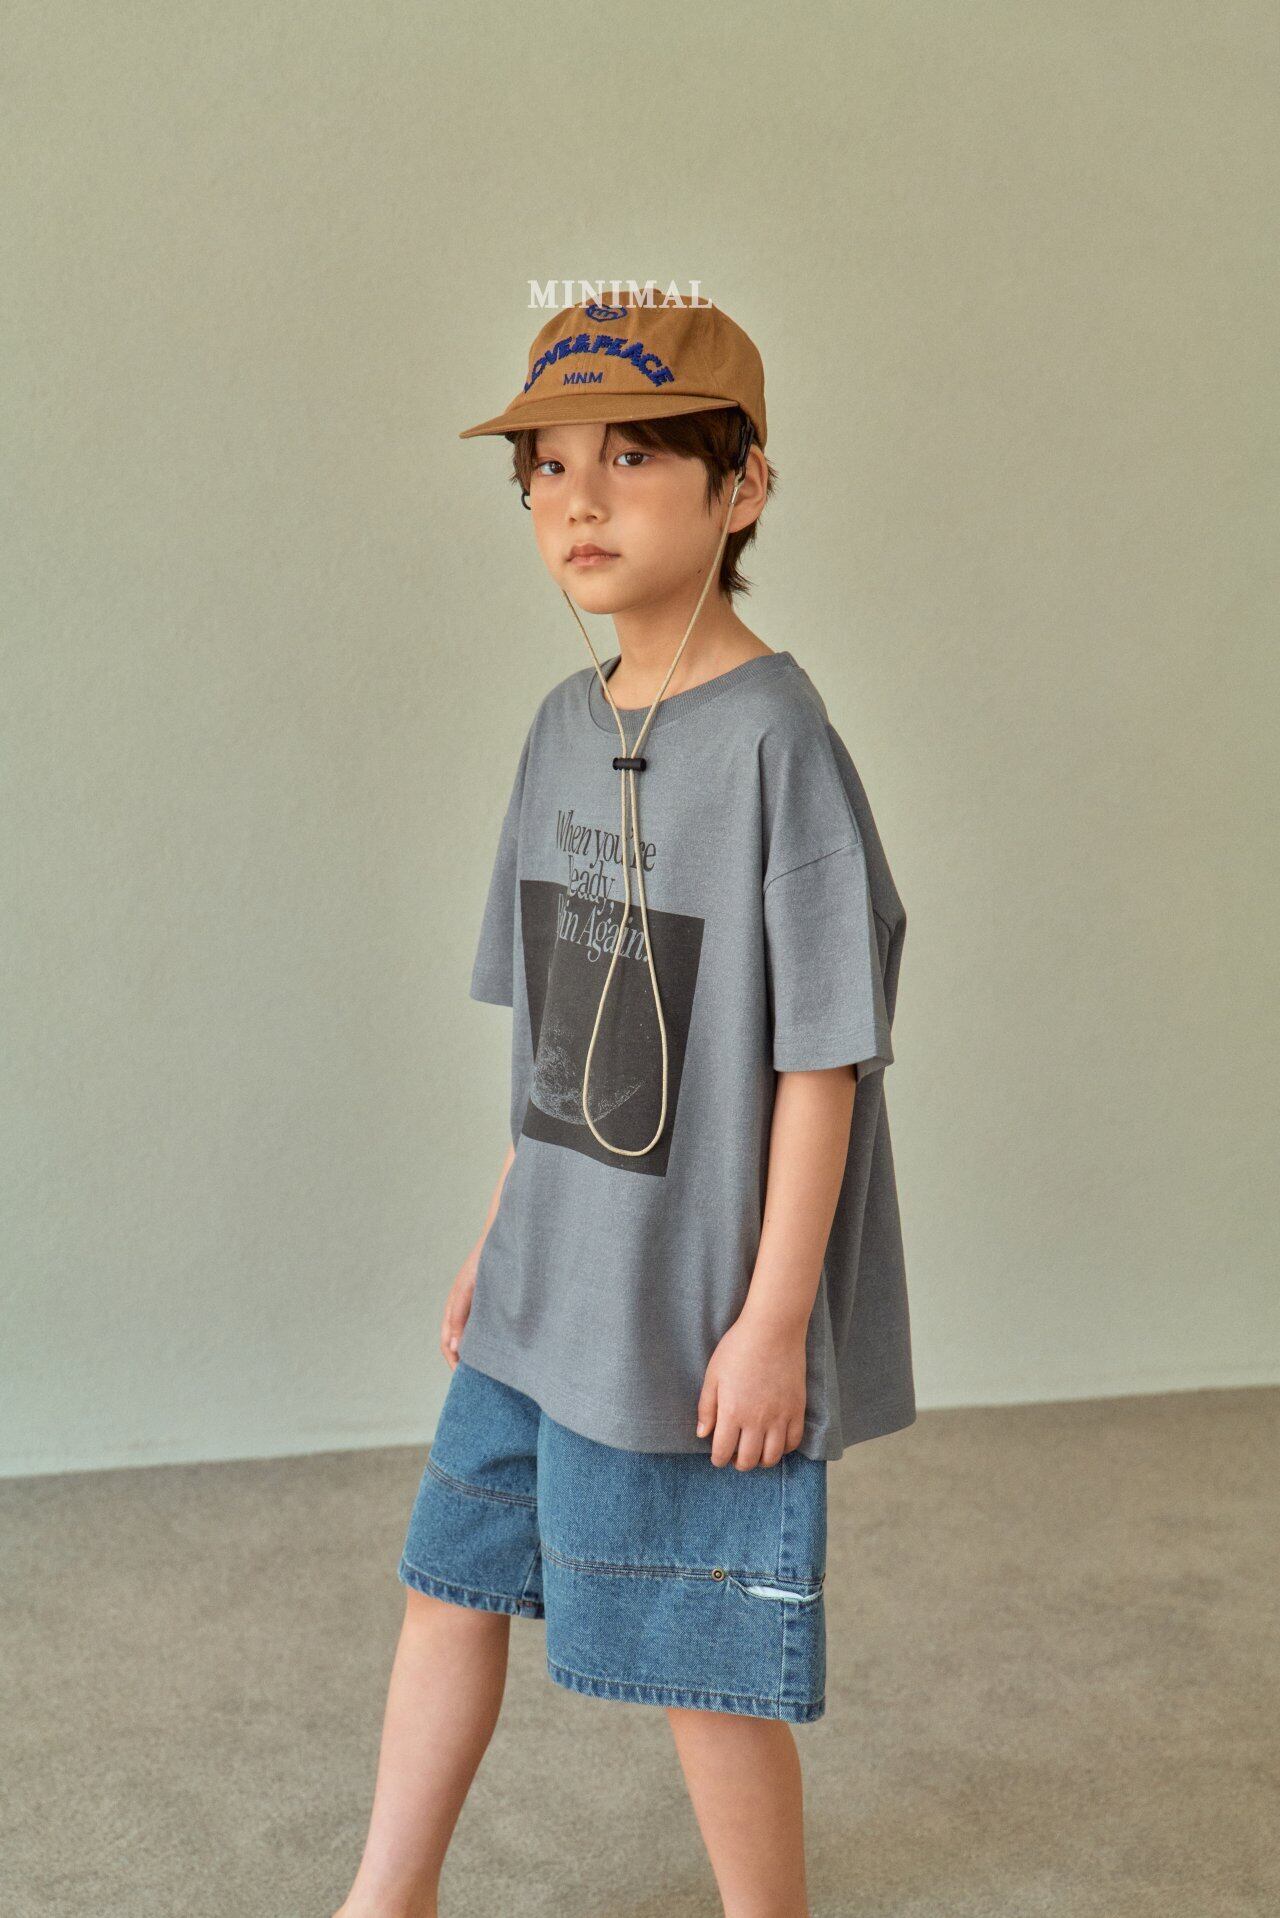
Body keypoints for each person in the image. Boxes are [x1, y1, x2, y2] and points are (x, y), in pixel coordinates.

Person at [335, 288, 914, 1918]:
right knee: (449, 1577)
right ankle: (388, 1894)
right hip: (548, 1282)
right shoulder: (561, 728)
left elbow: (823, 1057)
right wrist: (498, 1235)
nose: (577, 500)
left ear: (743, 489)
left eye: (634, 457)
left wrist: (775, 1320)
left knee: (699, 1653)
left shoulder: (778, 743)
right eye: (546, 467)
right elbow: (560, 1035)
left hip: (689, 1305)